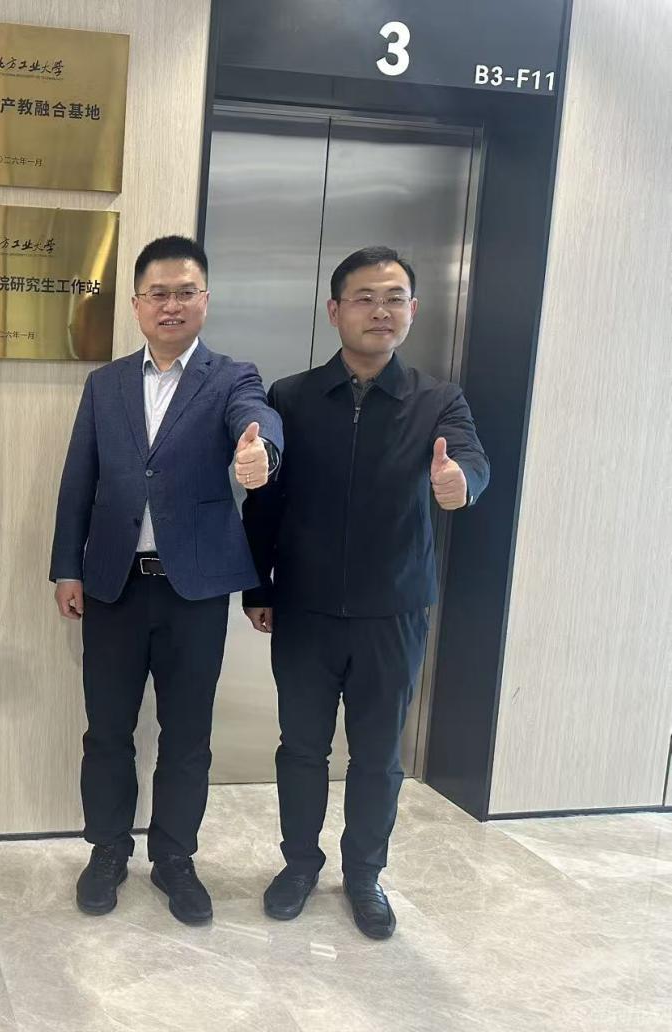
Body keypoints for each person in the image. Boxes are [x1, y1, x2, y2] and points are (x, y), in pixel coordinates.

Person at [242, 245, 490, 940]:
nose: (381, 311)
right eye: (364, 298)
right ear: (334, 310)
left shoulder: (437, 399)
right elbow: (265, 501)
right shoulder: (291, 396)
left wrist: (460, 483)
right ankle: (298, 865)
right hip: (305, 608)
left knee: (378, 756)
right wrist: (257, 585)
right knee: (300, 748)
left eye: (394, 298)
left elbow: (469, 459)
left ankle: (363, 875)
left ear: (413, 310)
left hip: (393, 611)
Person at [49, 235, 282, 925]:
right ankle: (107, 851)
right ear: (136, 304)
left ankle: (175, 858)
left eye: (185, 292)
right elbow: (78, 481)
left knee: (186, 736)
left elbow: (257, 418)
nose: (171, 305)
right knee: (107, 731)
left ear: (204, 300)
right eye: (158, 293)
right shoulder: (106, 384)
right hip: (113, 586)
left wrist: (261, 451)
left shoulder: (231, 376)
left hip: (194, 593)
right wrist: (67, 566)